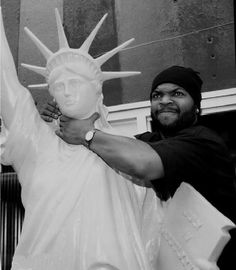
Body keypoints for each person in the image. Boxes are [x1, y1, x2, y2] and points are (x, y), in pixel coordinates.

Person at [1, 8, 162, 270]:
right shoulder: (37, 145)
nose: (66, 91)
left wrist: (88, 134)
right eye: (58, 86)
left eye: (75, 82)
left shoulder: (125, 144)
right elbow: (5, 82)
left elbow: (152, 224)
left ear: (96, 89)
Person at [43, 65, 236, 269]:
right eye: (157, 95)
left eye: (177, 94)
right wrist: (60, 120)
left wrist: (86, 134)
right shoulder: (151, 140)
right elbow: (107, 150)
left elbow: (142, 163)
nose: (164, 101)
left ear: (196, 105)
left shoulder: (203, 142)